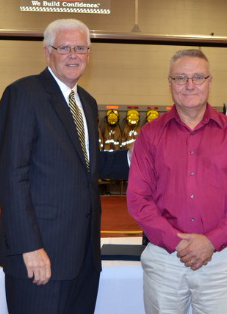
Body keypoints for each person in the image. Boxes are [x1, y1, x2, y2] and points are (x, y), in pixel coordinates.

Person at [0, 19, 129, 314]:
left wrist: (139, 156)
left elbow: (86, 167)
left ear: (89, 54)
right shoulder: (23, 94)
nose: (74, 55)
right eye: (65, 48)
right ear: (47, 52)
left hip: (83, 260)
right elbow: (11, 176)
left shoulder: (86, 101)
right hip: (39, 257)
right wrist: (29, 248)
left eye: (81, 48)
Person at [127, 49, 227, 314]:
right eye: (180, 78)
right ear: (170, 83)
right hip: (165, 258)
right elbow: (138, 199)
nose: (190, 85)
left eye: (198, 77)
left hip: (221, 260)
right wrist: (178, 242)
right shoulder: (150, 135)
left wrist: (211, 241)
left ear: (210, 82)